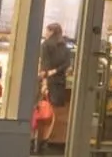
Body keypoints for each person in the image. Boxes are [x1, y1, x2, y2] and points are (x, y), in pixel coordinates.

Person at [32, 23, 71, 154]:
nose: (45, 32)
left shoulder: (46, 45)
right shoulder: (64, 46)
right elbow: (67, 64)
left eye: (47, 30)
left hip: (48, 82)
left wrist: (44, 81)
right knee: (54, 115)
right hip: (60, 83)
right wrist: (56, 71)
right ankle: (50, 142)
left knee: (41, 115)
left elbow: (45, 66)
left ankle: (38, 144)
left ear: (51, 31)